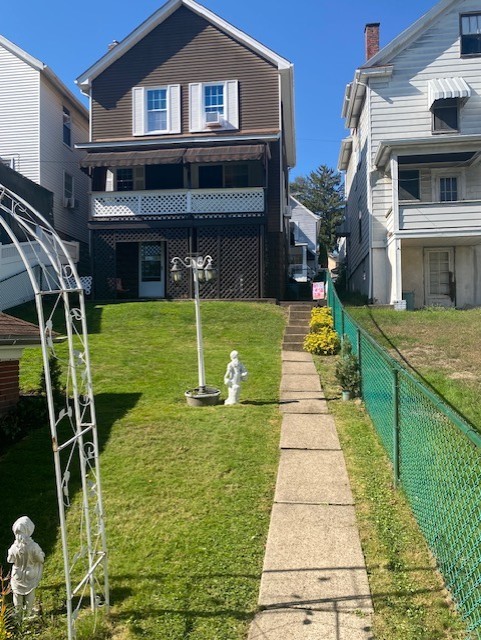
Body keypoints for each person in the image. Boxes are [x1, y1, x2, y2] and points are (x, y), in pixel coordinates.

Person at [7, 516, 44, 618]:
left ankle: (18, 612)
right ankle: (28, 612)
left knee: (17, 593)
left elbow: (9, 560)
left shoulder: (14, 547)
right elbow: (40, 559)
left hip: (17, 573)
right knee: (30, 592)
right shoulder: (34, 546)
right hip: (30, 572)